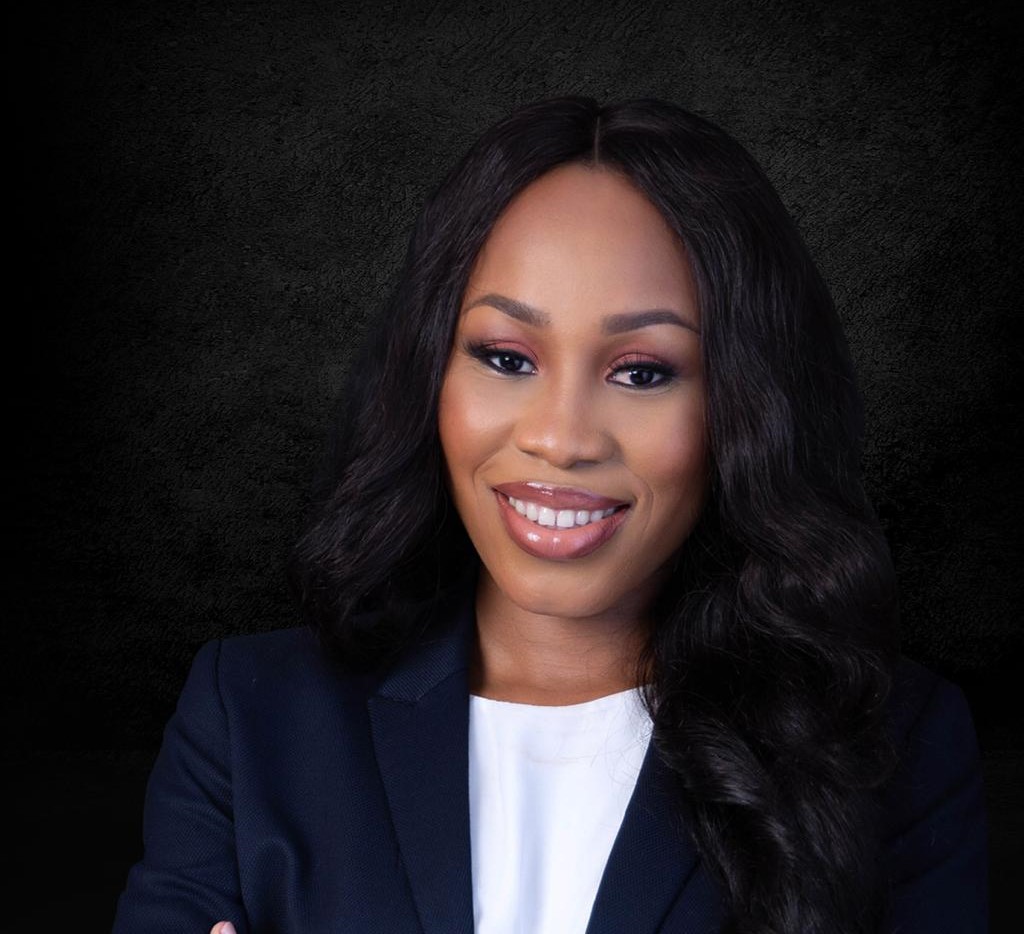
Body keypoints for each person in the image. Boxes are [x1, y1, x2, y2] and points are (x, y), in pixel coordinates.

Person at [113, 97, 988, 934]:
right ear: (431, 374)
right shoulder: (251, 715)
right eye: (506, 357)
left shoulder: (893, 748)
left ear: (746, 407)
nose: (560, 439)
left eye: (642, 372)